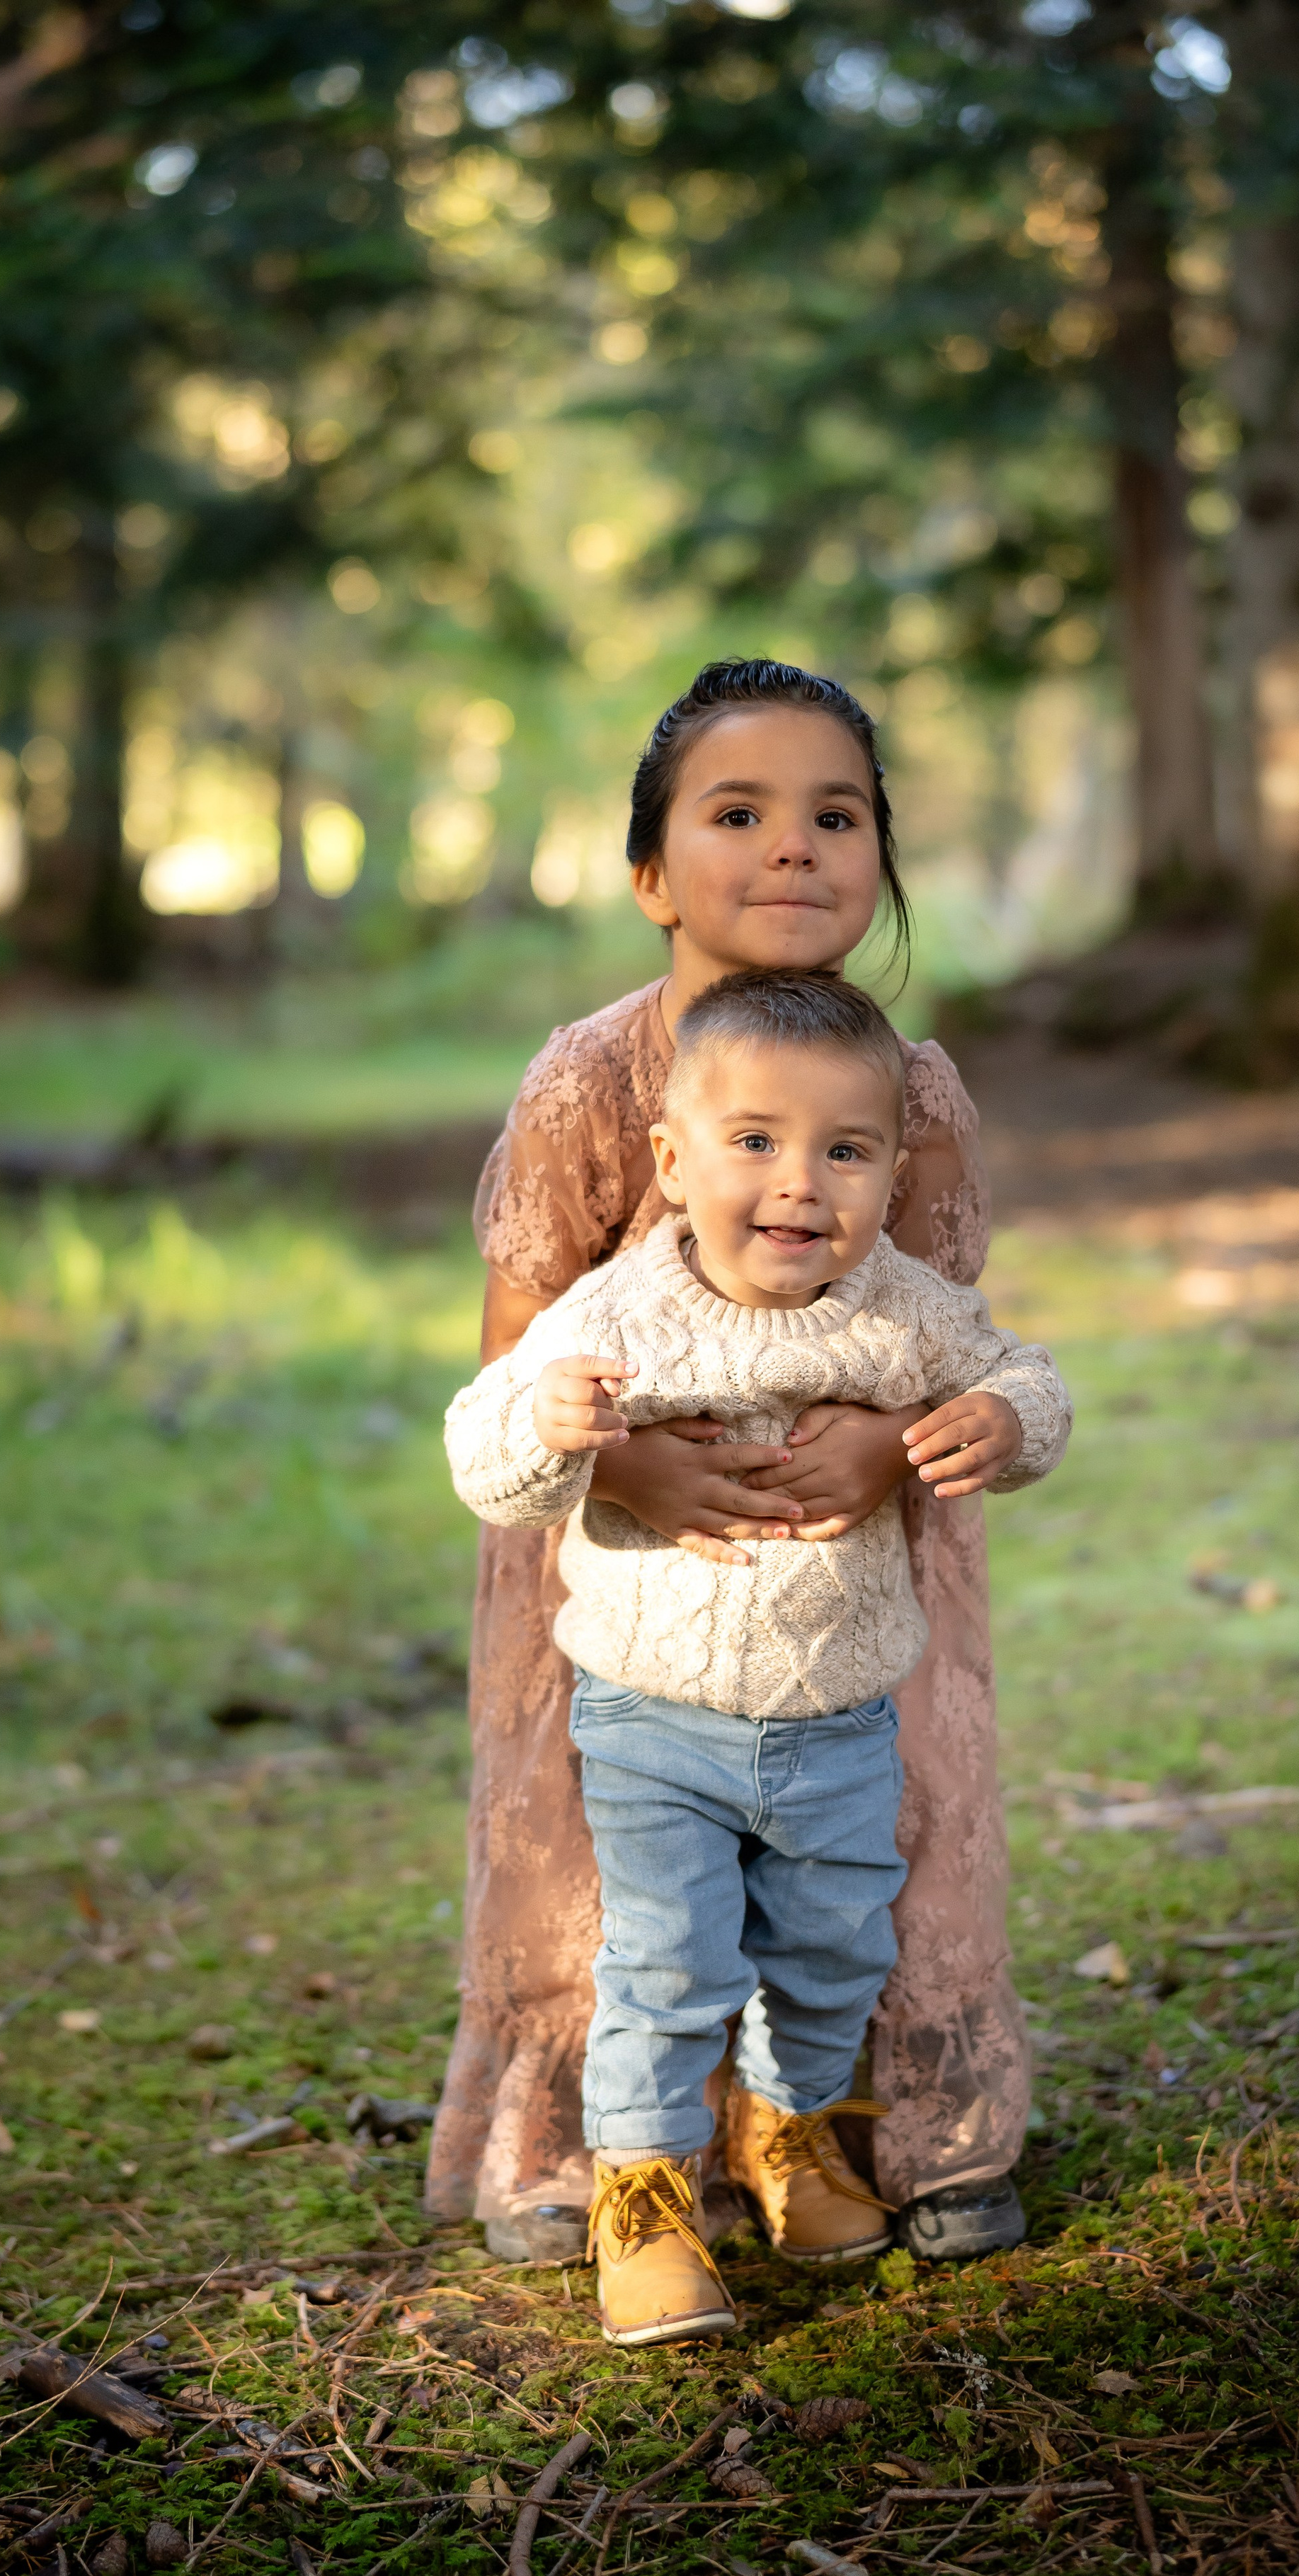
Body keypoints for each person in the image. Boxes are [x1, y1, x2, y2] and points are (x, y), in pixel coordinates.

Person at [425, 656, 1038, 2267]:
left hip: (851, 1556)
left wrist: (887, 1452)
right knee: (621, 1870)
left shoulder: (910, 1091)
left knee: (868, 1841)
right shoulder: (590, 1081)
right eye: (738, 812)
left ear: (879, 862)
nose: (791, 847)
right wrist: (622, 1471)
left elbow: (955, 1331)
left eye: (835, 814)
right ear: (649, 873)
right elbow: (511, 1356)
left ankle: (892, 2125)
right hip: (620, 1558)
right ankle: (598, 2155)